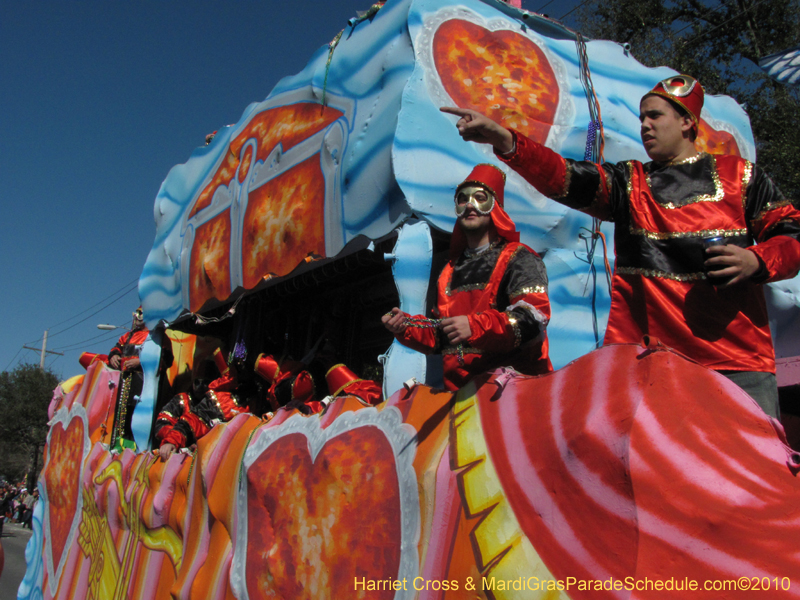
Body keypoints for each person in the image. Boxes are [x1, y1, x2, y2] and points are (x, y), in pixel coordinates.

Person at [441, 74, 800, 417]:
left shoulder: (740, 176)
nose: (644, 125)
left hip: (737, 361)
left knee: (754, 474)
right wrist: (504, 139)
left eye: (655, 116)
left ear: (688, 122)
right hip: (654, 366)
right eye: (642, 117)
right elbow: (564, 176)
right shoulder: (631, 183)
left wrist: (757, 260)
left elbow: (792, 234)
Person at [383, 163, 553, 391]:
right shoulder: (449, 271)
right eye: (462, 200)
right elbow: (442, 336)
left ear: (495, 206)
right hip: (463, 401)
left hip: (515, 396)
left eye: (480, 197)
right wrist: (405, 327)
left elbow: (533, 319)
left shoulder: (519, 259)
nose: (469, 205)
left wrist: (474, 327)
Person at [108, 306, 150, 449]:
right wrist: (114, 355)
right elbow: (117, 347)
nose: (138, 316)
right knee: (120, 412)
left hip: (143, 382)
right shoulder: (128, 336)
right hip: (124, 381)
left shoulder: (154, 336)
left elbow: (163, 358)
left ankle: (134, 449)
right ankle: (119, 446)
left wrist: (140, 362)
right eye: (137, 313)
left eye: (142, 313)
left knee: (136, 414)